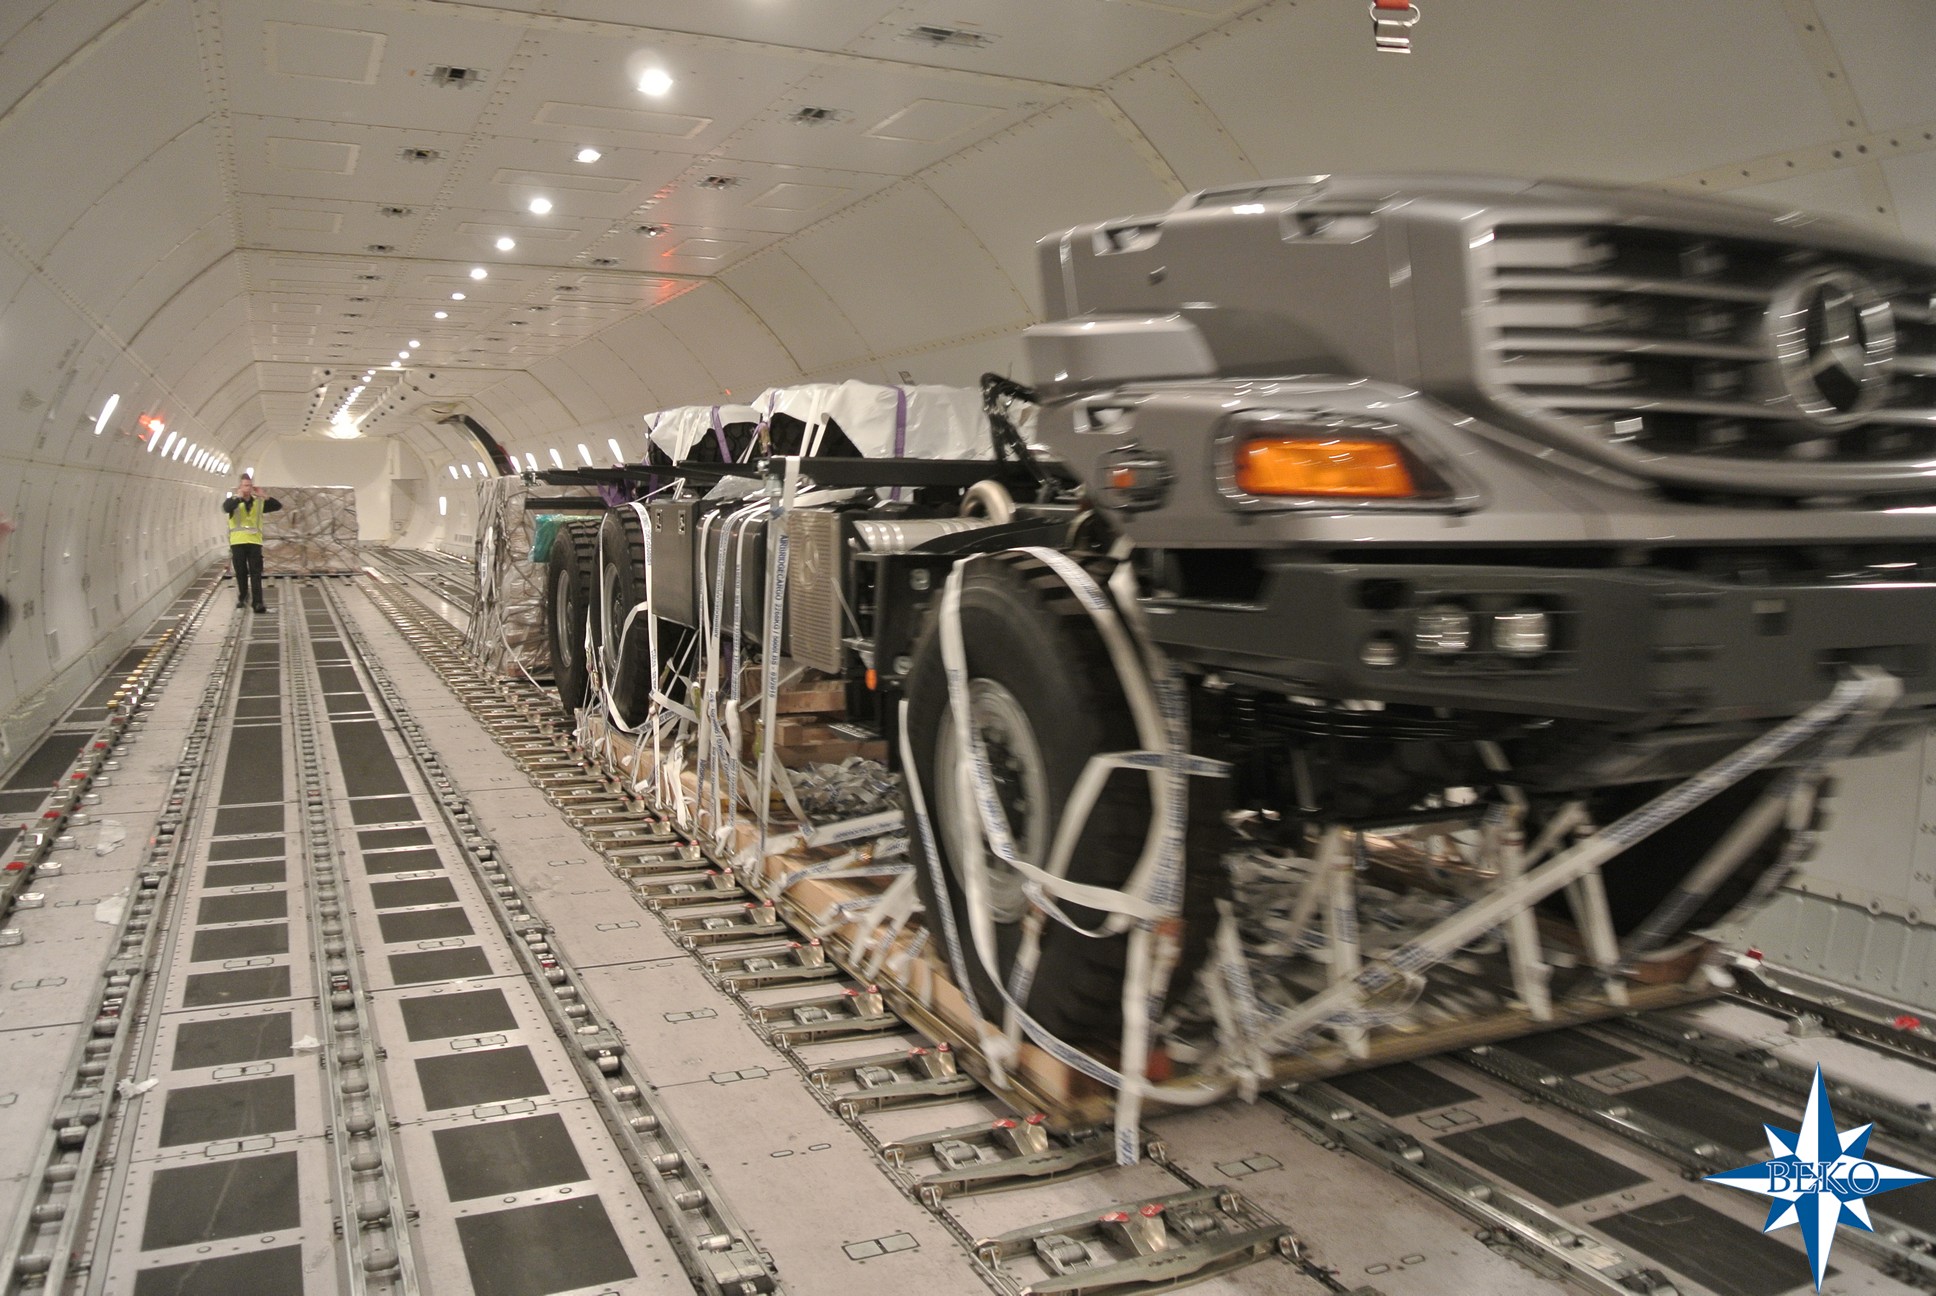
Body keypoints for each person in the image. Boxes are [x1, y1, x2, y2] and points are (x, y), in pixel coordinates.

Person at [223, 475, 282, 612]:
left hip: (254, 542)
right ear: (239, 487)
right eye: (245, 485)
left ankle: (258, 603)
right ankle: (243, 597)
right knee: (241, 572)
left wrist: (264, 495)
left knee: (256, 573)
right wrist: (238, 497)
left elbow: (277, 506)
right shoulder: (233, 502)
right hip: (238, 542)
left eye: (249, 485)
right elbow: (226, 508)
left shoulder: (258, 502)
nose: (247, 488)